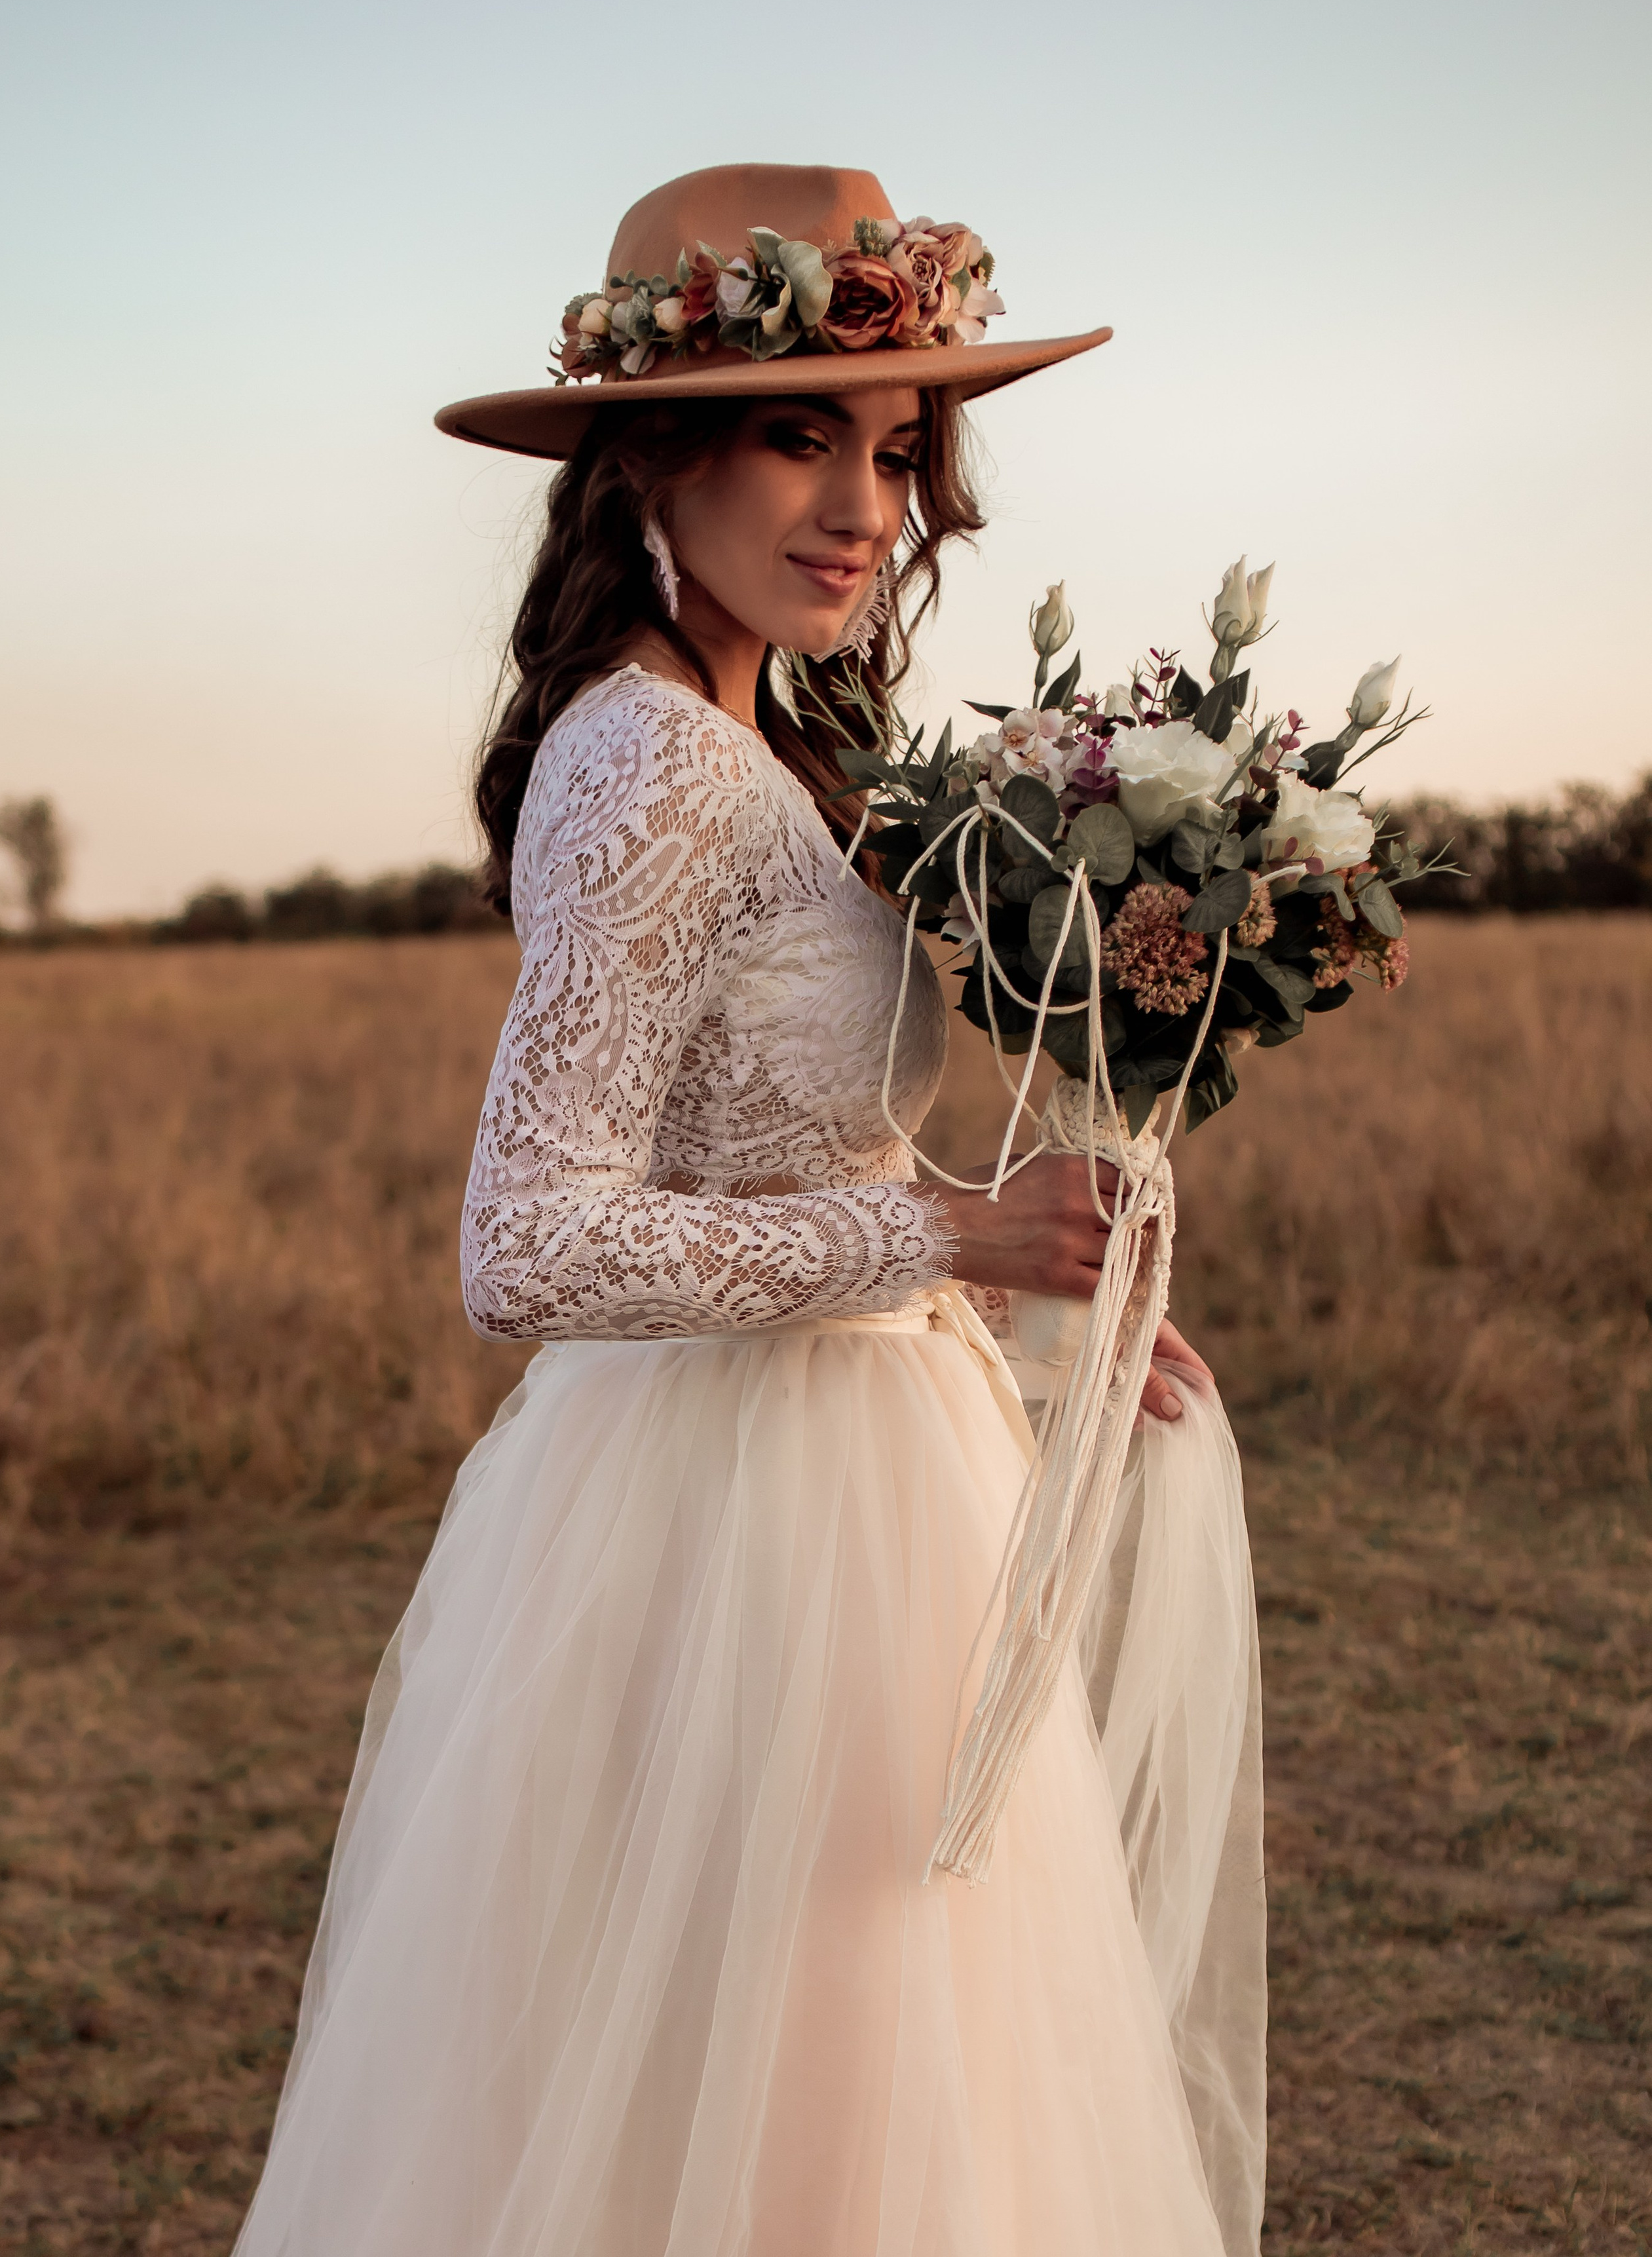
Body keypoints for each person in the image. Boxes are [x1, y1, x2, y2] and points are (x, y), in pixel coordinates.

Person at [233, 164, 1264, 2257]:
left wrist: (1023, 1298)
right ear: (649, 458)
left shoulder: (767, 747)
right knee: (781, 2084)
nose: (867, 509)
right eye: (806, 433)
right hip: (739, 1541)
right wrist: (948, 1247)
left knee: (862, 2085)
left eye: (894, 452)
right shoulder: (643, 763)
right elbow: (530, 1241)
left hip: (860, 1480)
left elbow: (785, 1151)